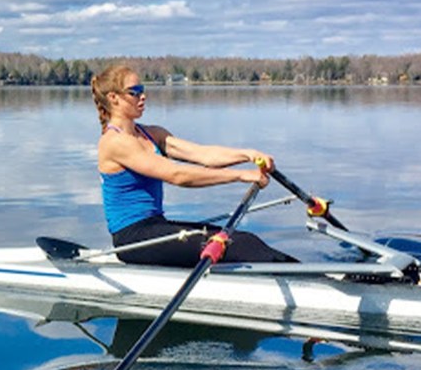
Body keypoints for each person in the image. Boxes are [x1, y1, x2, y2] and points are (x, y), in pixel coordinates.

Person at [92, 64, 297, 267]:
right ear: (113, 98)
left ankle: (307, 273)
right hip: (132, 239)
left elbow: (203, 155)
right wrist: (241, 176)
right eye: (134, 92)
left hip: (157, 226)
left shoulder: (151, 134)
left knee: (245, 240)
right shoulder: (114, 142)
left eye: (143, 90)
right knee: (242, 245)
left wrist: (248, 154)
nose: (143, 96)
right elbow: (178, 175)